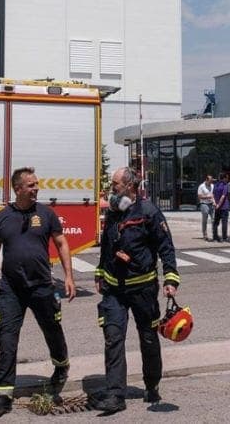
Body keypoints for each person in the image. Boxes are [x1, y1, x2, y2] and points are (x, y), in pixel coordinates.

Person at [0, 167, 76, 417]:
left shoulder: (46, 214)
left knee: (52, 330)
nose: (36, 189)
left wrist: (68, 277)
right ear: (18, 189)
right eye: (31, 185)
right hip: (11, 288)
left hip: (42, 286)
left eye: (36, 185)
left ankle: (61, 366)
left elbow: (61, 243)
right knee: (7, 337)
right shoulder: (2, 217)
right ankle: (3, 395)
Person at [91, 167, 180, 413]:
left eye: (116, 185)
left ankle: (152, 384)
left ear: (130, 186)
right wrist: (100, 271)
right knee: (113, 338)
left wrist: (171, 279)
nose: (112, 189)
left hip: (143, 289)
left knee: (148, 338)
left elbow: (166, 248)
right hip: (114, 290)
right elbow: (107, 245)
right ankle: (115, 395)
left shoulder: (149, 212)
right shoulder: (114, 211)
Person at [212, 173, 230, 242]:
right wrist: (219, 205)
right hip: (224, 207)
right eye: (227, 178)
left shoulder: (215, 185)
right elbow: (223, 196)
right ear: (224, 178)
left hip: (217, 207)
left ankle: (215, 236)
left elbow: (213, 195)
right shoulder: (225, 185)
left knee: (216, 222)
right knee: (224, 222)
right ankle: (224, 237)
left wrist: (214, 203)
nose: (228, 179)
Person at [196, 174, 215, 240]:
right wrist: (207, 197)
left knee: (214, 219)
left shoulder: (212, 186)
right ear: (206, 180)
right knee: (205, 219)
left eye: (211, 181)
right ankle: (205, 234)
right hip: (204, 204)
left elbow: (213, 194)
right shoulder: (201, 186)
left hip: (211, 204)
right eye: (210, 181)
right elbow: (199, 196)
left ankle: (214, 233)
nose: (211, 182)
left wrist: (214, 201)